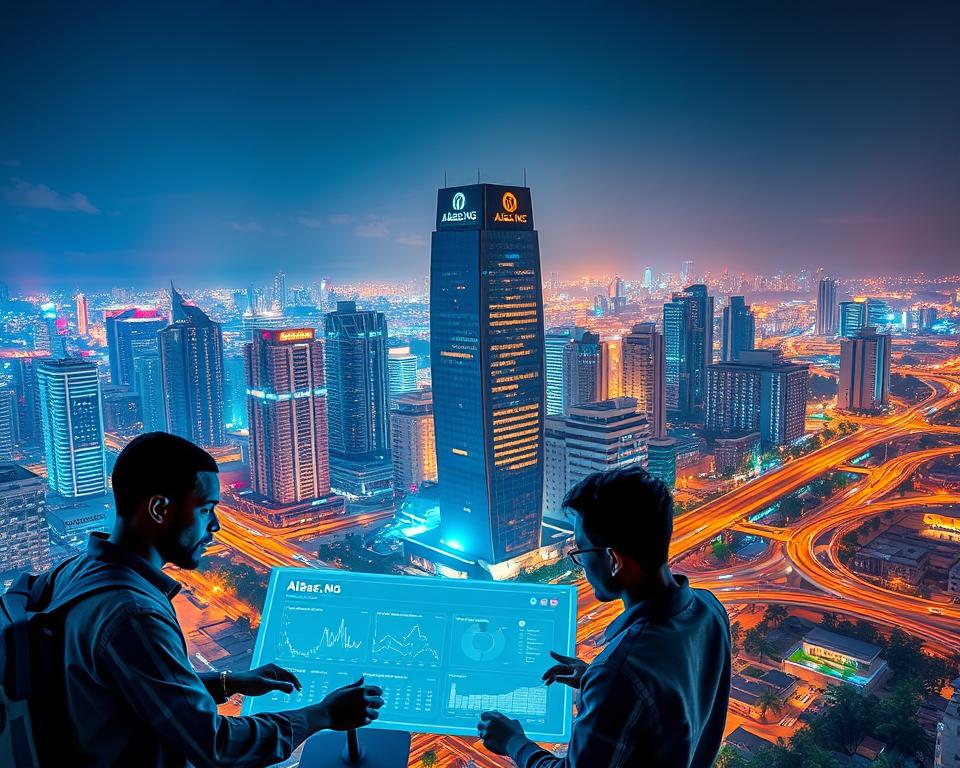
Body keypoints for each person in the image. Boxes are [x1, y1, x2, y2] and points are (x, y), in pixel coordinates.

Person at [50, 431, 384, 767]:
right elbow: (216, 746)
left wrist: (228, 681)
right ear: (159, 509)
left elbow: (140, 688)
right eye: (206, 509)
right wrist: (321, 715)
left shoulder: (79, 570)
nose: (217, 525)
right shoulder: (133, 614)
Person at [477, 466, 731, 767]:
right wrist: (593, 681)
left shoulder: (620, 672)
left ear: (613, 559)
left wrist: (513, 741)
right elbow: (667, 710)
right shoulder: (710, 609)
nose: (581, 566)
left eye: (582, 552)